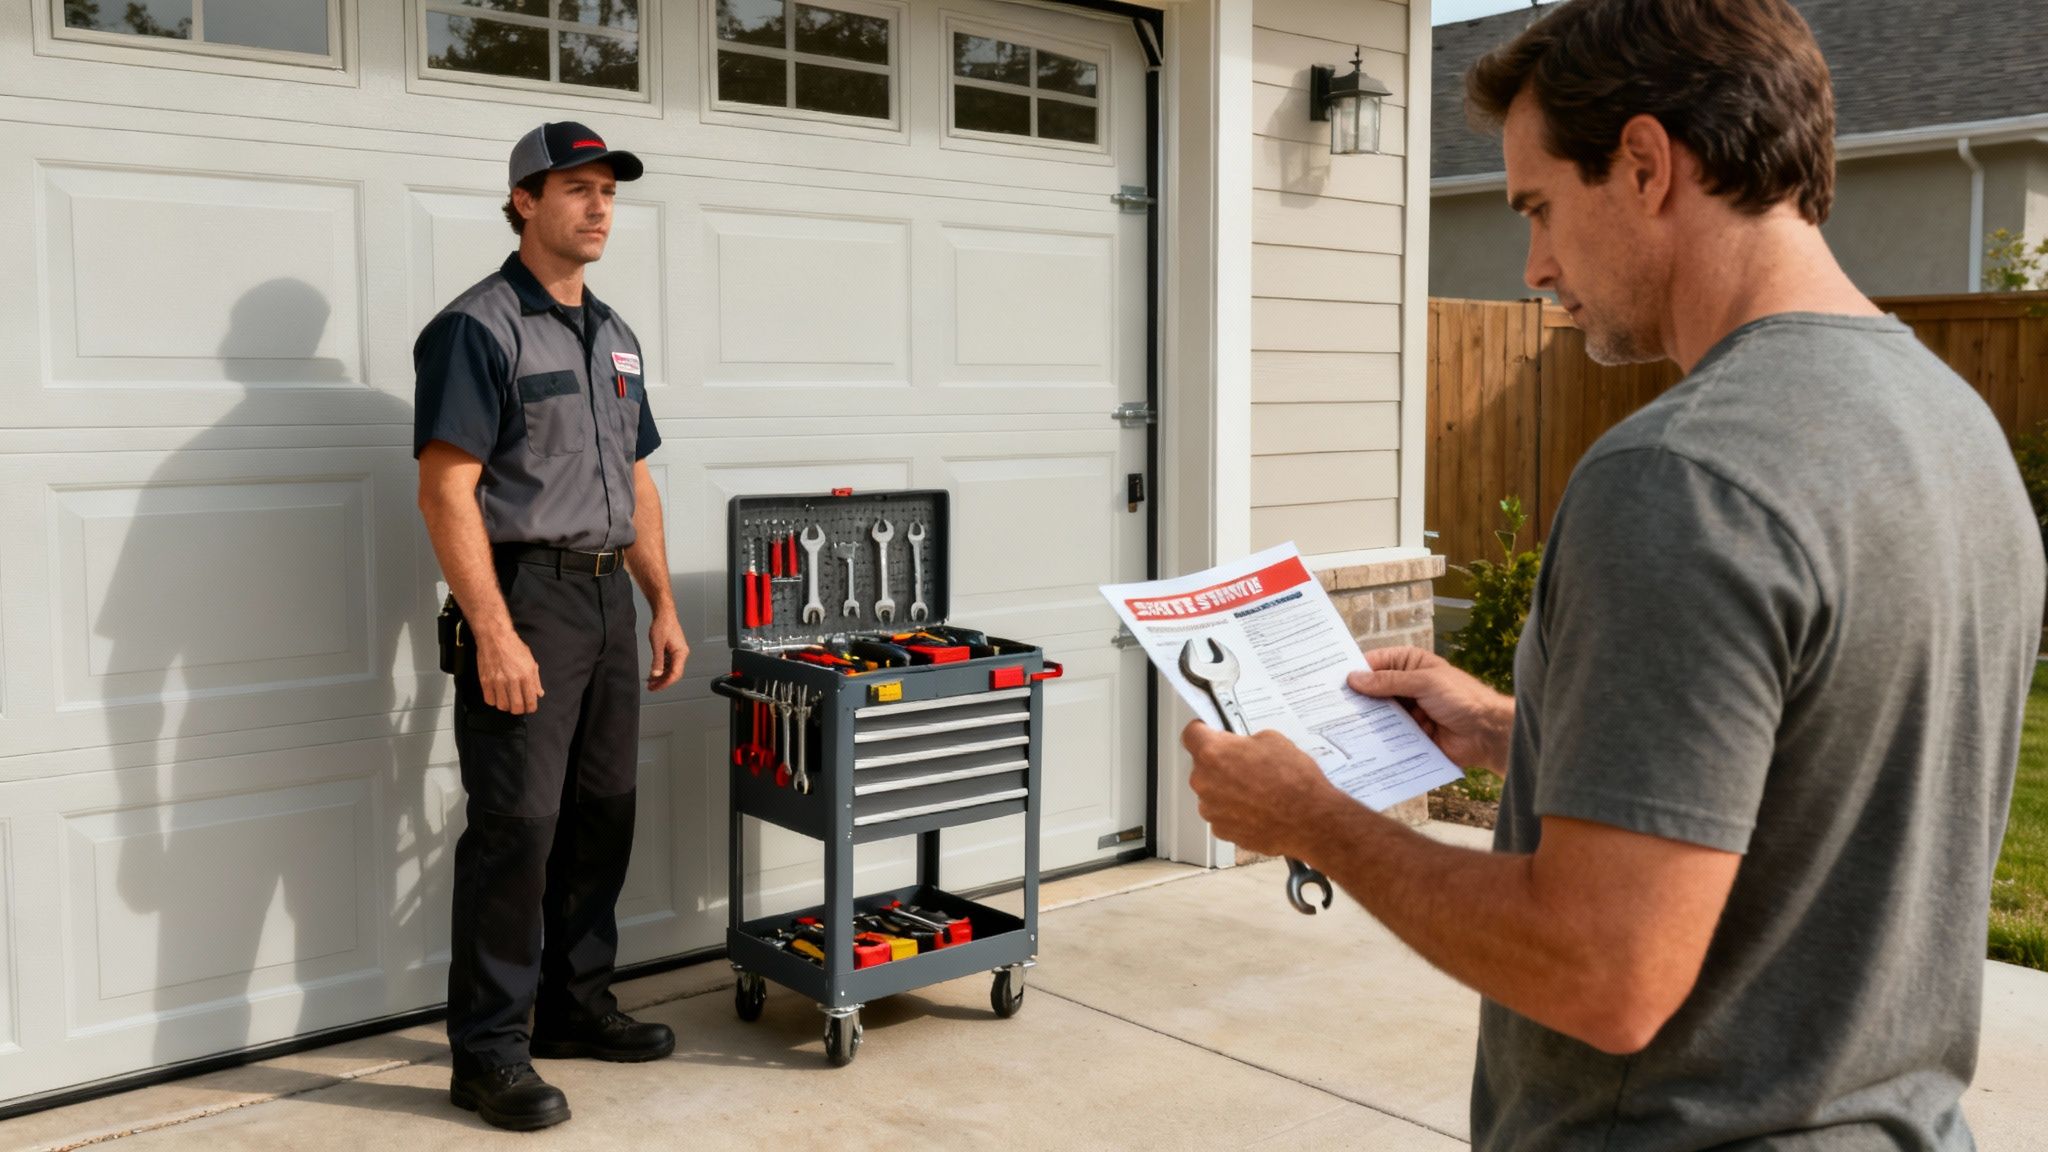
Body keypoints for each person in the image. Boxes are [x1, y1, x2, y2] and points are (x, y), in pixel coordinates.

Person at [1184, 1, 2043, 1147]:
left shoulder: (1681, 474)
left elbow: (1601, 970)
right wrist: (1511, 728)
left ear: (1643, 164)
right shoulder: (1950, 426)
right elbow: (1817, 760)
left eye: (1539, 207)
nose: (1534, 264)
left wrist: (1312, 817)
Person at [414, 121, 690, 1132]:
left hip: (609, 601)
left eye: (607, 189)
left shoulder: (616, 334)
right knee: (515, 833)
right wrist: (491, 630)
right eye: (574, 187)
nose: (598, 205)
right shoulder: (476, 327)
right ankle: (487, 1052)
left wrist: (659, 601)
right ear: (523, 201)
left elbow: (637, 477)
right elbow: (445, 489)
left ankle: (574, 1006)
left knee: (601, 814)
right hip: (525, 597)